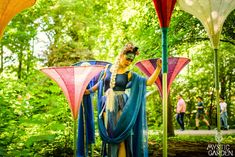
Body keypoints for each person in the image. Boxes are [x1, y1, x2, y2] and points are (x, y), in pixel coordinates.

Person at [84, 42, 162, 157]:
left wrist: (158, 68)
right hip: (106, 106)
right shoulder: (107, 69)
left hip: (121, 106)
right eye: (127, 59)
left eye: (131, 60)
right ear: (121, 56)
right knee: (110, 138)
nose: (129, 62)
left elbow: (148, 82)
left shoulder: (129, 74)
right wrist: (89, 91)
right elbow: (100, 83)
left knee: (120, 140)